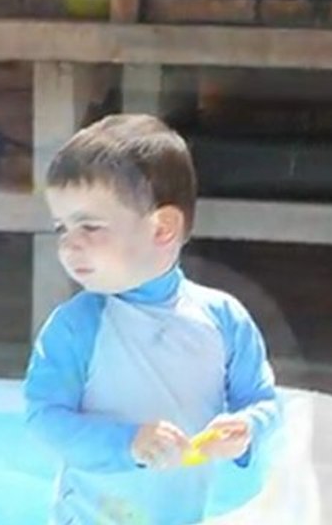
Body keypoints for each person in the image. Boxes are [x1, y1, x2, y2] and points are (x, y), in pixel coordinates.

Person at [24, 114, 281, 525]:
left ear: (162, 229)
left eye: (90, 226)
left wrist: (246, 428)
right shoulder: (76, 327)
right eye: (61, 227)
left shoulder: (223, 319)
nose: (70, 243)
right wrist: (129, 444)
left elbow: (264, 401)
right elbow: (45, 419)